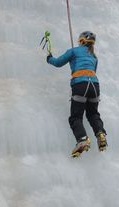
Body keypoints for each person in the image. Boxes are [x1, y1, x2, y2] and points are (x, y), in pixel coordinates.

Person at [46, 30, 107, 158]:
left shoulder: (74, 51)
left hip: (80, 84)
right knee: (93, 114)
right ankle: (100, 133)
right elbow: (93, 70)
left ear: (81, 41)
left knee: (76, 117)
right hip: (95, 86)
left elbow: (58, 63)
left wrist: (49, 58)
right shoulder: (94, 56)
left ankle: (82, 139)